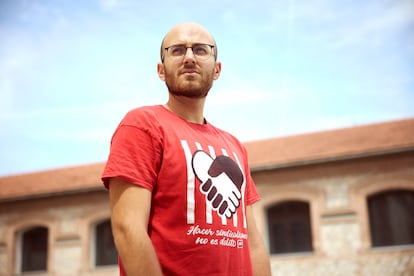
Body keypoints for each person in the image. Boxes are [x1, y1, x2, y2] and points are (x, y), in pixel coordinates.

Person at [102, 22, 271, 276]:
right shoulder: (142, 125)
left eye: (201, 50)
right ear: (161, 70)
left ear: (217, 69)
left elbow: (253, 243)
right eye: (178, 50)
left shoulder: (235, 146)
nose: (189, 57)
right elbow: (128, 228)